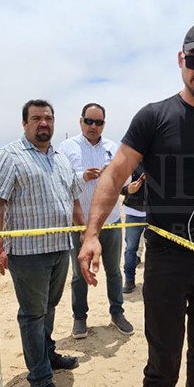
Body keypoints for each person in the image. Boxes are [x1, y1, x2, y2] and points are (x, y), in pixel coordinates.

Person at [77, 19, 194, 387]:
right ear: (181, 59)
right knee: (162, 364)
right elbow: (113, 175)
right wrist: (92, 235)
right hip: (165, 256)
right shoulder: (153, 117)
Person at [0, 99, 85, 387]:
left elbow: (74, 203)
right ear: (24, 123)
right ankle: (41, 383)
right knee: (32, 314)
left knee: (50, 306)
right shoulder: (10, 156)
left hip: (60, 247)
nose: (43, 123)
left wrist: (84, 237)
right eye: (36, 118)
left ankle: (47, 354)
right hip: (29, 253)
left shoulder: (61, 159)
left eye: (48, 118)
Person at [59, 103, 134, 338]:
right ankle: (79, 318)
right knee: (78, 275)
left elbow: (123, 183)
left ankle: (117, 312)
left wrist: (130, 188)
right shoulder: (66, 148)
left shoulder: (113, 148)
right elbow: (59, 180)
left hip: (110, 222)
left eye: (98, 122)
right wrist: (82, 176)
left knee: (114, 271)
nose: (93, 126)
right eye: (89, 121)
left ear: (104, 124)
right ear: (80, 121)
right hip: (79, 224)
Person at [120, 163, 147, 294]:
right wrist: (127, 190)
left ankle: (151, 281)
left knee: (155, 249)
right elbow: (118, 185)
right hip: (133, 212)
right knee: (131, 249)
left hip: (155, 213)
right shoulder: (130, 162)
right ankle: (129, 280)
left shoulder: (159, 160)